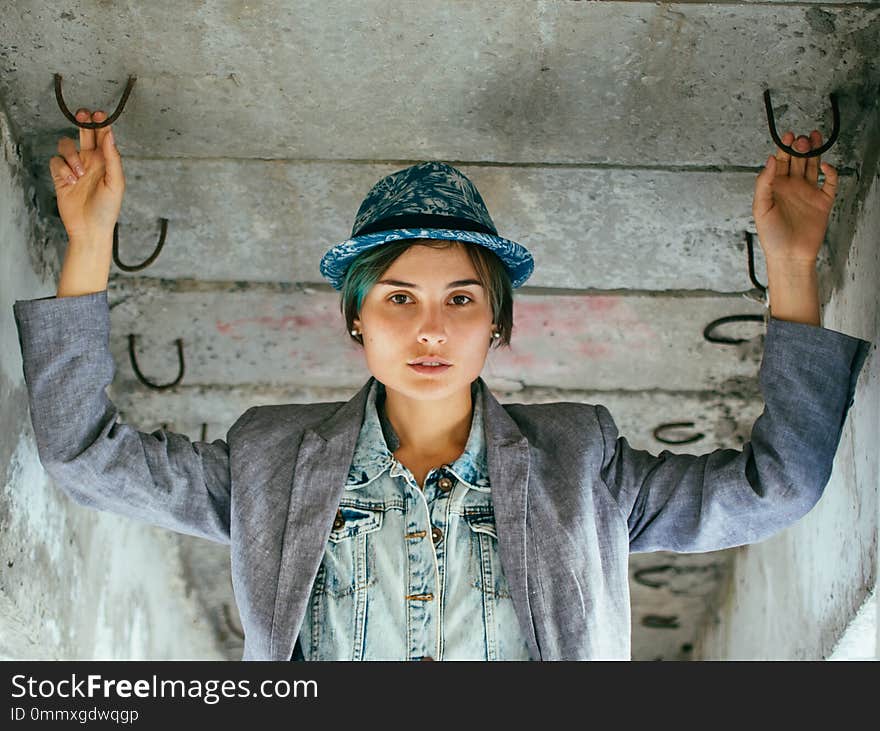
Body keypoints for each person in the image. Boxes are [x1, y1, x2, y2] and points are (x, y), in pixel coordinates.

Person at [12, 108, 872, 661]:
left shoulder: (581, 461)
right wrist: (88, 242)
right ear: (357, 318)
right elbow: (88, 459)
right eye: (398, 297)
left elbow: (778, 484)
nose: (430, 327)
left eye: (462, 298)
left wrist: (794, 266)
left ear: (498, 322)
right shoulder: (271, 458)